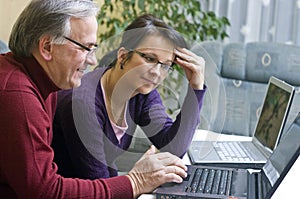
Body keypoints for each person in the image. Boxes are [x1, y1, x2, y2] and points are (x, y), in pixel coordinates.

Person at [0, 1, 188, 198]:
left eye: (94, 49)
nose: (92, 60)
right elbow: (46, 192)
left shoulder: (46, 83)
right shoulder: (18, 97)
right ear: (47, 47)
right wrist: (135, 181)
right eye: (85, 48)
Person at [52, 14, 207, 180]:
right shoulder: (83, 103)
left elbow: (174, 147)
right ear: (123, 55)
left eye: (165, 65)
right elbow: (98, 185)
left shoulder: (141, 93)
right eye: (149, 58)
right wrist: (138, 178)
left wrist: (195, 88)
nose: (156, 72)